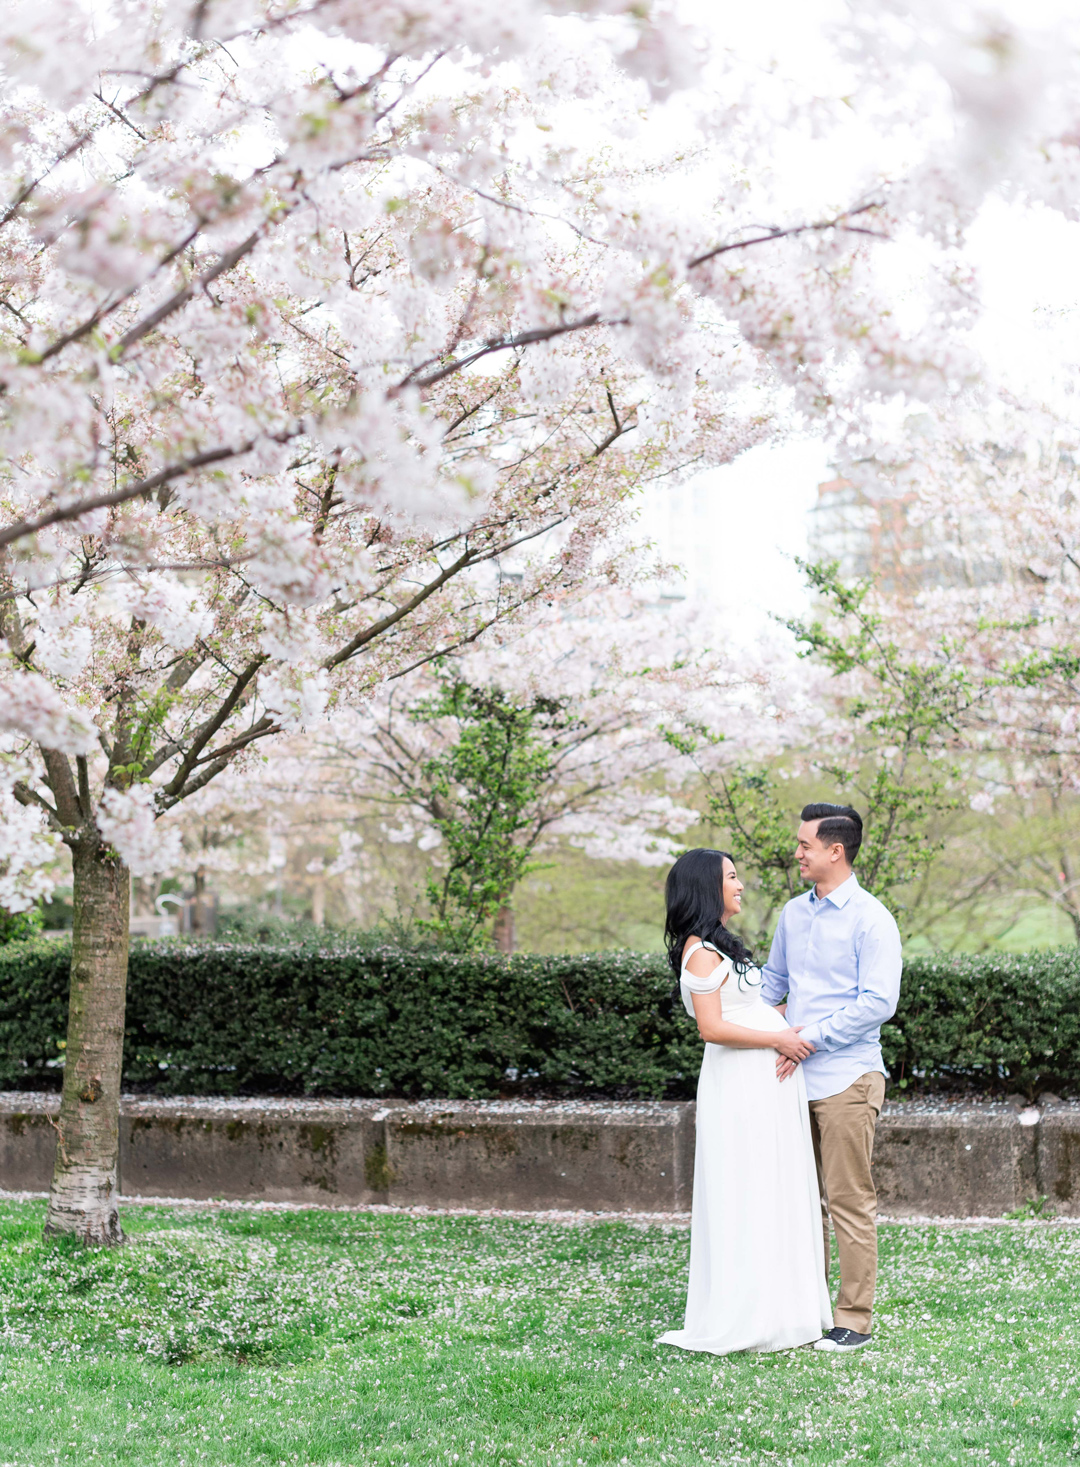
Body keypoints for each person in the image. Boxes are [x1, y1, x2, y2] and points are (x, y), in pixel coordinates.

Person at [657, 848, 832, 1356]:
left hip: (763, 1084)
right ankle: (749, 1313)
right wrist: (777, 1040)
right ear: (707, 887)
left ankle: (783, 1307)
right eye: (732, 877)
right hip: (738, 1087)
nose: (740, 885)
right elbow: (711, 1028)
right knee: (748, 1187)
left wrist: (785, 1026)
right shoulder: (700, 952)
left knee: (772, 1184)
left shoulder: (720, 945)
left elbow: (748, 1007)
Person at [762, 803, 902, 1354]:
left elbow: (877, 1004)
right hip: (790, 1078)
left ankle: (853, 1320)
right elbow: (773, 985)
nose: (797, 853)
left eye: (805, 845)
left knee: (847, 1199)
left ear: (835, 851)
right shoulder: (792, 914)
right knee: (797, 1201)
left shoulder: (873, 919)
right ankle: (806, 1310)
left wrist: (808, 1039)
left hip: (848, 1077)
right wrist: (764, 1034)